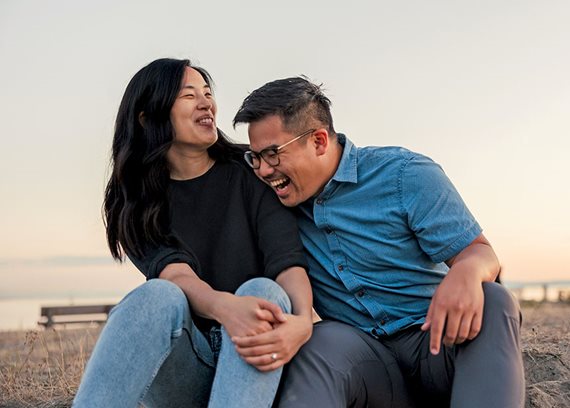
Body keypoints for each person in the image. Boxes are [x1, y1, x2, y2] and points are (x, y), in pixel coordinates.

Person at [232, 77, 525, 408]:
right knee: (321, 340)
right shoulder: (275, 205)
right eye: (254, 158)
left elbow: (481, 253)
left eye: (273, 154)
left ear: (318, 141)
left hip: (440, 346)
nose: (264, 170)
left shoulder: (404, 174)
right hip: (365, 366)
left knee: (494, 299)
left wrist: (468, 271)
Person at [73, 59, 313, 408]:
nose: (206, 103)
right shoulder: (135, 199)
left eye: (207, 93)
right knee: (158, 295)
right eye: (189, 95)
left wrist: (303, 322)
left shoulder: (252, 169)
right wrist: (227, 308)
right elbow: (177, 274)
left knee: (264, 289)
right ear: (147, 117)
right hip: (187, 367)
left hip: (258, 360)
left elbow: (286, 259)